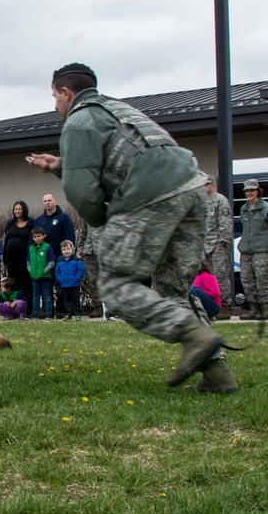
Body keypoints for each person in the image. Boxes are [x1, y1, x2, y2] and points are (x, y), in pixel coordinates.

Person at [29, 62, 237, 392]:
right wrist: (61, 166)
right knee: (173, 290)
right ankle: (219, 376)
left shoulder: (78, 121)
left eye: (54, 96)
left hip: (153, 196)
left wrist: (109, 222)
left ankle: (193, 334)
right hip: (193, 191)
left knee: (114, 285)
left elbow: (85, 195)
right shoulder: (117, 109)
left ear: (66, 93)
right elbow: (128, 158)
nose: (55, 105)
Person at [203, 173, 234, 320]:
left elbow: (225, 223)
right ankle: (212, 306)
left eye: (206, 184)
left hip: (218, 245)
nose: (203, 187)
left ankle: (224, 306)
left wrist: (223, 242)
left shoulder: (220, 200)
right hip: (205, 245)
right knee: (208, 278)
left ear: (213, 185)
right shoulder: (202, 202)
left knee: (220, 276)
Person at [238, 178, 268, 320]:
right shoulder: (243, 209)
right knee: (247, 281)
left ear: (258, 191)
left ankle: (265, 309)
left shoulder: (265, 208)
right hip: (246, 251)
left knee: (262, 280)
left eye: (252, 190)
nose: (249, 193)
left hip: (262, 250)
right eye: (247, 190)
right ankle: (253, 309)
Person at [3, 201, 34, 303]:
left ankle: (28, 308)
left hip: (25, 259)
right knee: (13, 283)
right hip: (11, 260)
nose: (17, 211)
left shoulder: (31, 222)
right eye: (15, 209)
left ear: (24, 210)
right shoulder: (10, 223)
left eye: (19, 209)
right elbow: (6, 239)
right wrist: (5, 259)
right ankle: (14, 307)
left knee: (26, 283)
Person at [27, 227, 55, 319]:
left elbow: (52, 262)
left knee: (47, 296)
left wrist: (45, 270)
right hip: (35, 277)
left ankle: (48, 313)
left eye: (39, 236)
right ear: (33, 238)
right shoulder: (31, 248)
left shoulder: (47, 247)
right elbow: (28, 262)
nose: (37, 238)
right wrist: (30, 270)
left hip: (45, 277)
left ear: (43, 236)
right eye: (35, 237)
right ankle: (35, 313)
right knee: (35, 297)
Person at [54, 240, 85, 319]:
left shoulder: (76, 260)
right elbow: (57, 271)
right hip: (64, 284)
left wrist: (76, 278)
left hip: (74, 284)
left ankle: (77, 313)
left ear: (72, 249)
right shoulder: (60, 261)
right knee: (66, 300)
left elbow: (81, 270)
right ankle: (67, 313)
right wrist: (60, 279)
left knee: (75, 299)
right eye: (64, 250)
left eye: (68, 249)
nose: (66, 251)